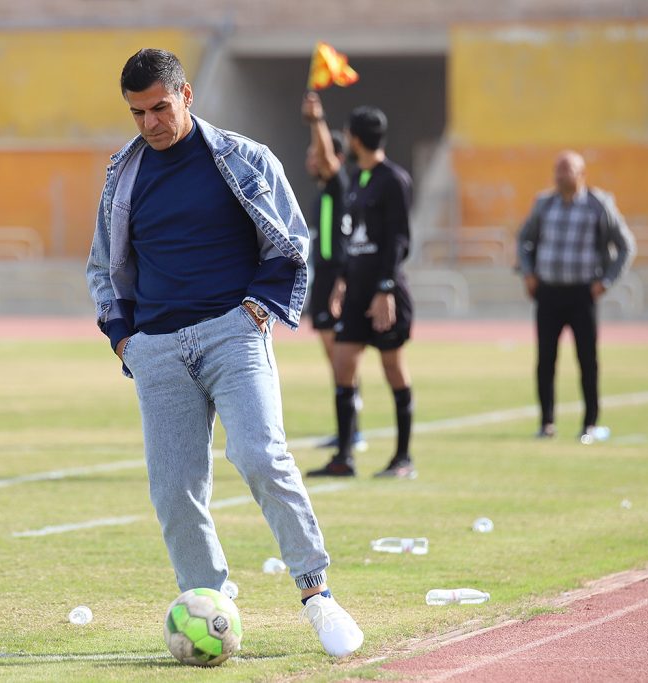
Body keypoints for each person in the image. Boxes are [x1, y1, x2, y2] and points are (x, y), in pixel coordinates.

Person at [86, 48, 363, 658]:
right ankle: (208, 604)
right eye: (138, 114)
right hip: (156, 348)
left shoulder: (244, 157)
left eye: (160, 107)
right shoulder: (122, 175)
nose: (151, 123)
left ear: (186, 96)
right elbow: (102, 266)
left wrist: (258, 311)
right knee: (173, 490)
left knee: (261, 456)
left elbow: (291, 242)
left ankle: (317, 595)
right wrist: (125, 338)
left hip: (233, 333)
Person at [306, 105, 416, 479]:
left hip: (384, 293)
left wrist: (385, 288)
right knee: (343, 366)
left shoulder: (393, 179)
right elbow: (354, 237)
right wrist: (343, 279)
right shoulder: (357, 179)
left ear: (355, 138)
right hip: (354, 290)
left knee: (393, 369)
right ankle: (344, 455)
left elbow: (400, 239)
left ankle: (403, 458)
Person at [517, 150, 636, 439]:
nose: (560, 175)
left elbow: (626, 245)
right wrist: (528, 272)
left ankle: (590, 424)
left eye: (566, 170)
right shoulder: (544, 204)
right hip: (549, 293)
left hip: (582, 294)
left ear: (581, 174)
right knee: (545, 360)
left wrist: (606, 281)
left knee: (587, 360)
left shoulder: (598, 205)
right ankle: (547, 422)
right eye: (557, 170)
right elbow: (524, 239)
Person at [300, 92, 366, 453]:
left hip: (339, 277)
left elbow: (326, 156)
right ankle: (349, 428)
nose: (312, 160)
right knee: (335, 360)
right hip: (323, 277)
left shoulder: (340, 184)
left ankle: (352, 431)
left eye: (318, 155)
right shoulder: (324, 193)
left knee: (342, 358)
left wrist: (316, 120)